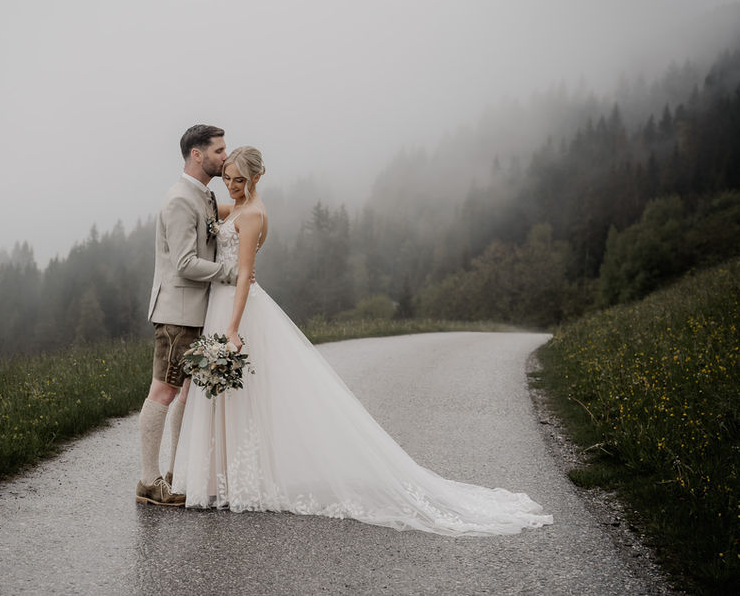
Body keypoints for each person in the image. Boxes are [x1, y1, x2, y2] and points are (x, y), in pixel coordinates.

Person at [172, 146, 553, 534]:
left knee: (244, 394)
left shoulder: (252, 214)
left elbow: (244, 275)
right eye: (228, 178)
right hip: (217, 303)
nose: (233, 186)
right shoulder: (231, 207)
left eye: (240, 180)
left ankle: (239, 480)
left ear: (256, 179)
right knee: (224, 395)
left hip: (237, 307)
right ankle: (220, 479)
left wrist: (233, 329)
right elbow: (202, 212)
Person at [136, 124, 238, 506]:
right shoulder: (180, 198)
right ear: (197, 154)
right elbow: (184, 263)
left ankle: (179, 474)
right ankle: (149, 480)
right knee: (164, 389)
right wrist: (231, 273)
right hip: (177, 312)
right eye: (219, 150)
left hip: (197, 311)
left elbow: (222, 221)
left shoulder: (204, 196)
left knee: (187, 393)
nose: (224, 156)